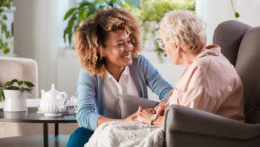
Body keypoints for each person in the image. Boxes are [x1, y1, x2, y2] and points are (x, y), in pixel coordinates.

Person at [84, 10, 244, 147]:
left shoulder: (204, 69)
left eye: (164, 43)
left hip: (213, 137)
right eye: (120, 44)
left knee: (110, 133)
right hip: (187, 131)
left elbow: (190, 123)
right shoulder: (202, 64)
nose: (165, 49)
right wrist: (165, 106)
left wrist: (153, 118)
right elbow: (187, 108)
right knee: (107, 130)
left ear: (176, 45)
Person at [66, 8, 173, 147]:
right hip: (104, 130)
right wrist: (124, 123)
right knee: (79, 135)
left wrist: (163, 104)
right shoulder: (89, 72)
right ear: (100, 49)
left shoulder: (139, 63)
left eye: (129, 41)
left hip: (137, 130)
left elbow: (168, 92)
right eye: (120, 44)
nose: (129, 48)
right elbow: (85, 115)